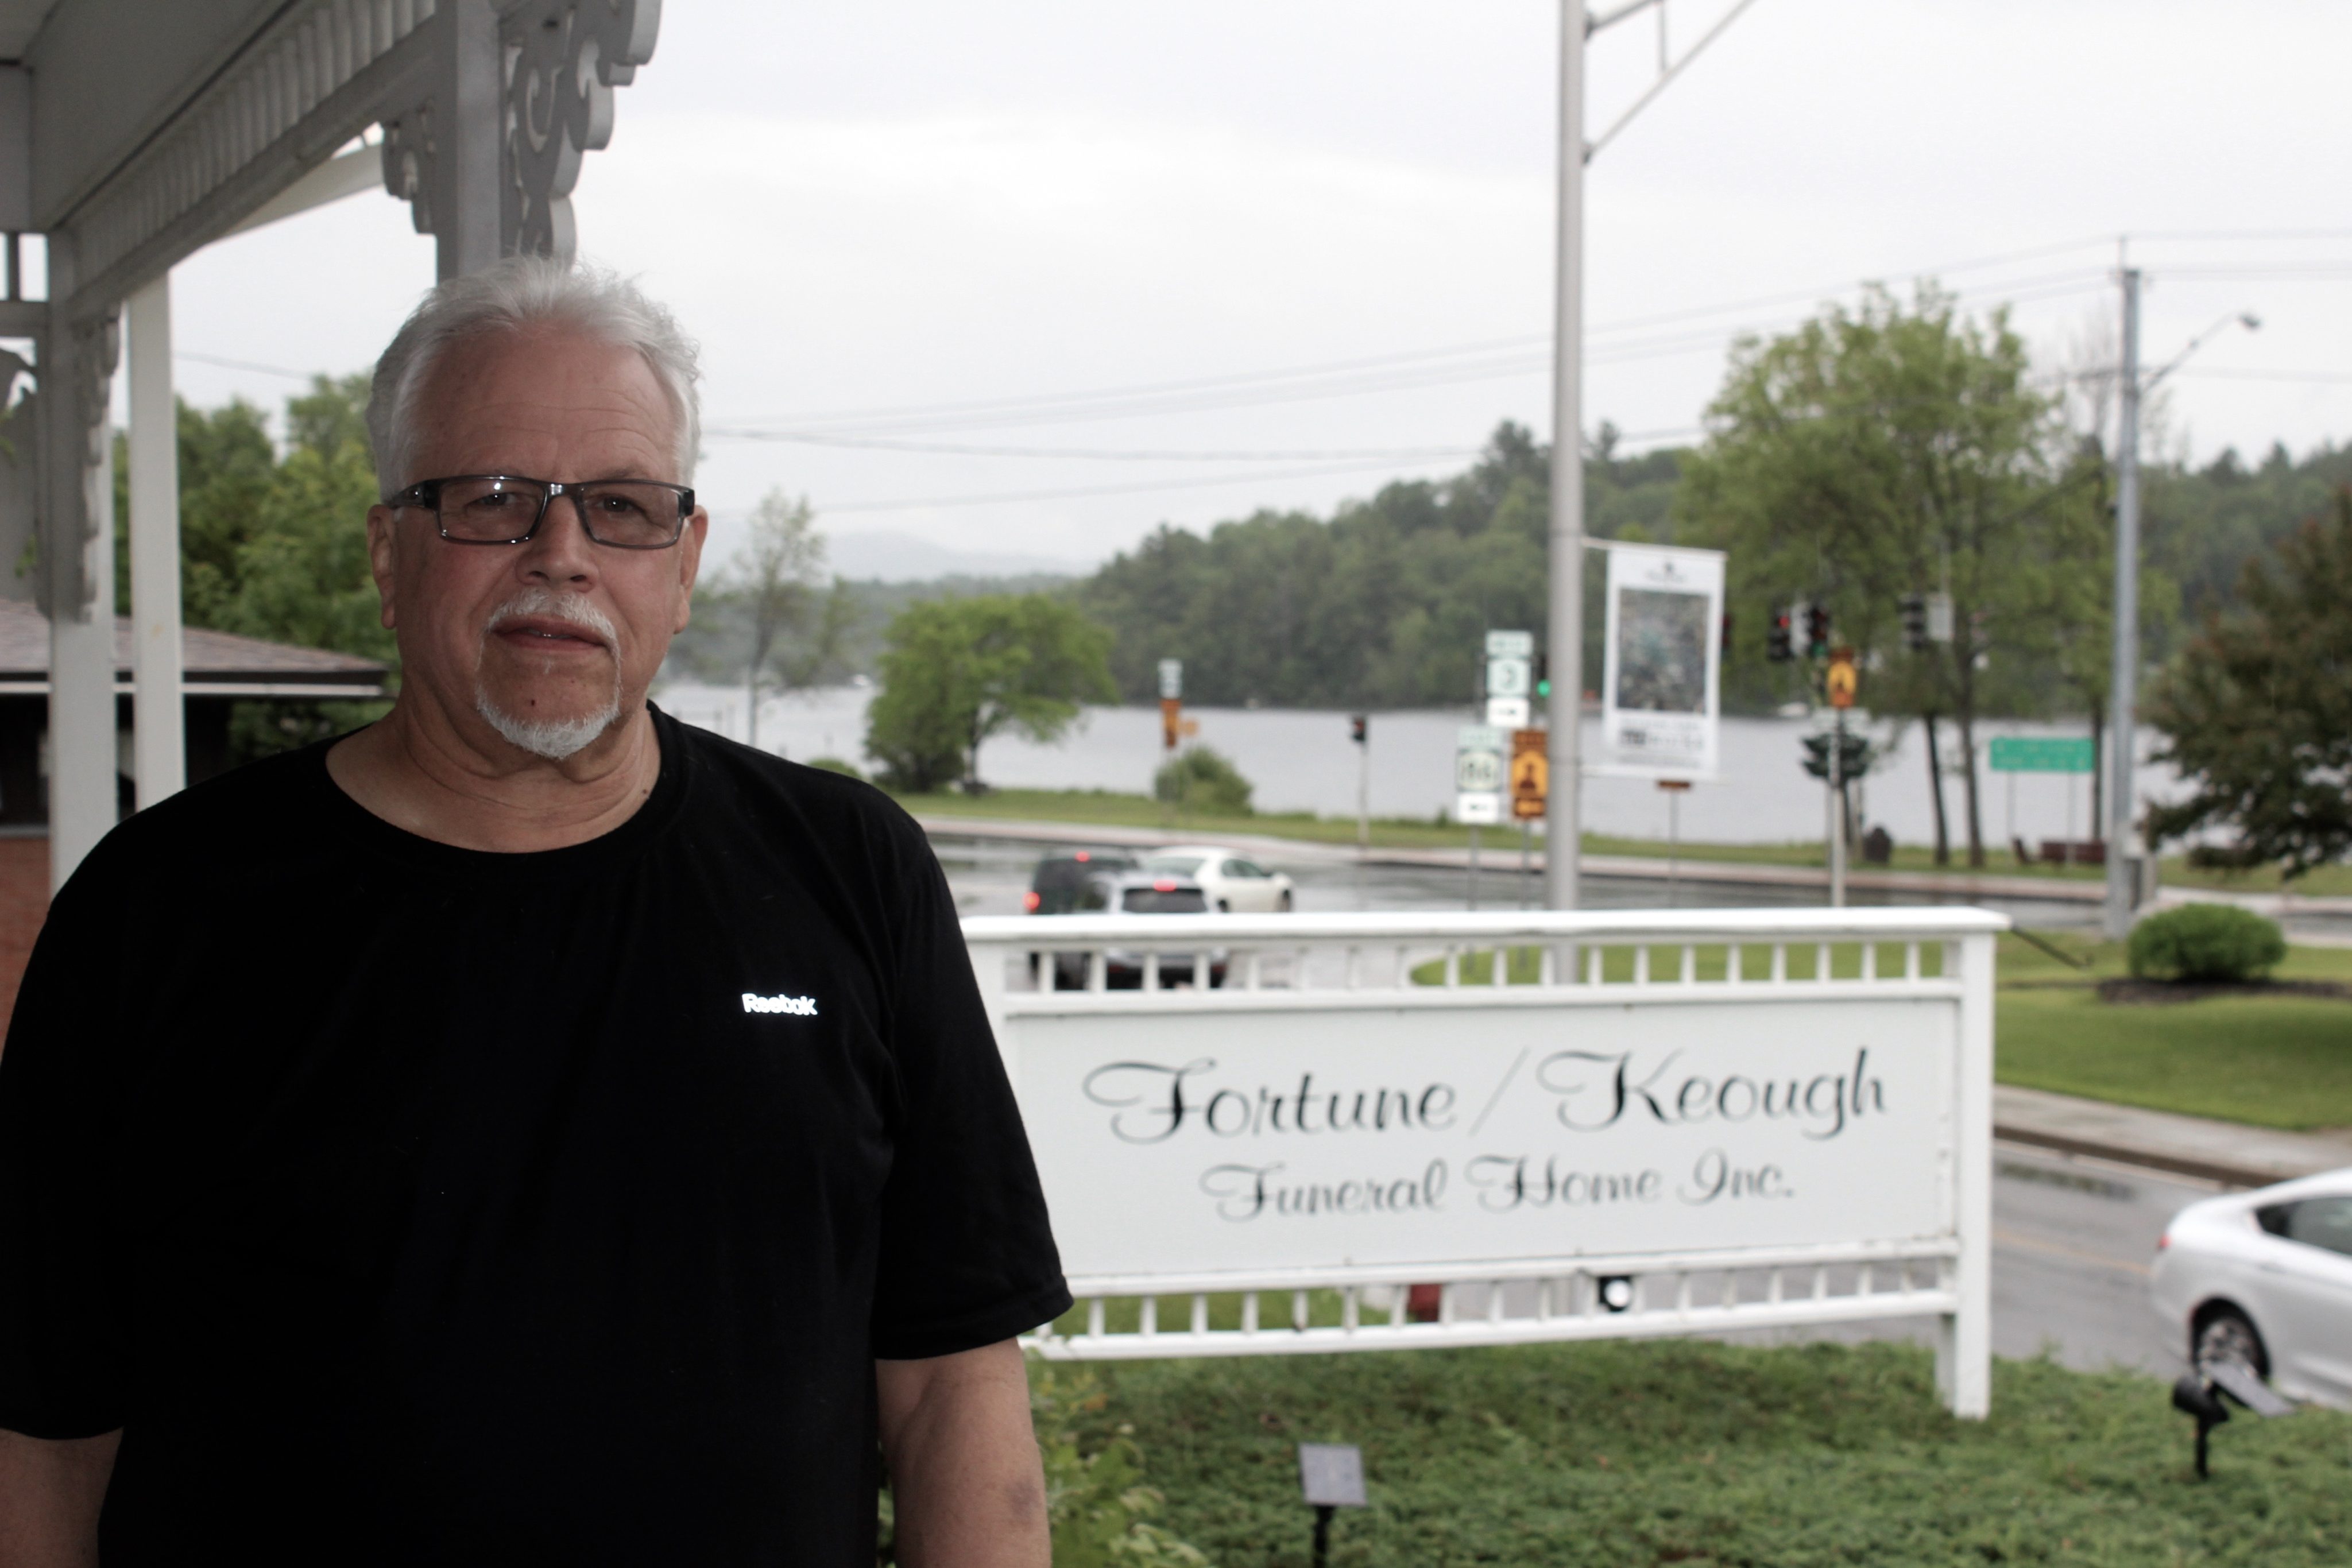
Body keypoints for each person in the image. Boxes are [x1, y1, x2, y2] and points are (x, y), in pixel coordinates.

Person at [0, 258, 1068, 1566]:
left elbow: (954, 1380)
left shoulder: (850, 872)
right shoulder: (160, 909)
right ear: (390, 553)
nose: (560, 555)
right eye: (492, 500)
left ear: (682, 562)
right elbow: (42, 1426)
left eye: (620, 507)